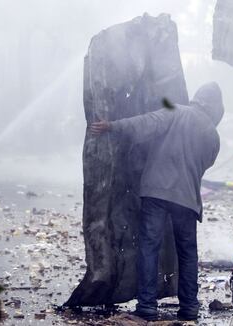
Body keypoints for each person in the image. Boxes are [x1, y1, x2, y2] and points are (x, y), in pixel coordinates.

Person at [90, 82, 224, 321]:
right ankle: (189, 307)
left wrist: (111, 126)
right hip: (187, 200)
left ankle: (147, 306)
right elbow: (206, 164)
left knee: (149, 248)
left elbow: (142, 124)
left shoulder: (175, 111)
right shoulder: (213, 135)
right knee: (188, 254)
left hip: (156, 193)